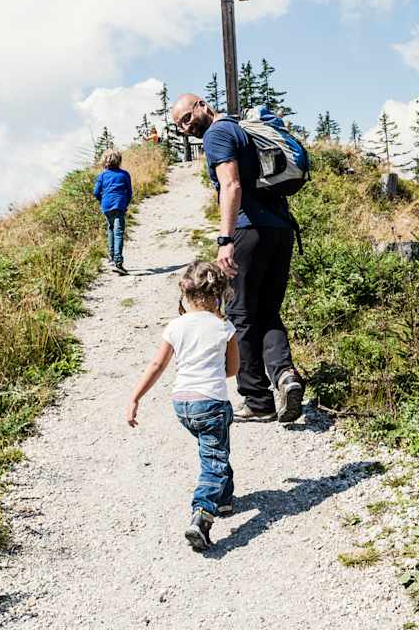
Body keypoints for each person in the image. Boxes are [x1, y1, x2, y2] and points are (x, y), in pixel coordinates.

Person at [170, 93, 305, 424]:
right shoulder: (241, 129)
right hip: (280, 230)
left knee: (241, 314)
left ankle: (257, 400)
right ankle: (285, 376)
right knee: (267, 311)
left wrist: (226, 240)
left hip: (248, 232)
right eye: (178, 126)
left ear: (202, 105)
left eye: (186, 118)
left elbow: (231, 185)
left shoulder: (217, 134)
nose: (185, 128)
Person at [126, 262, 239, 552]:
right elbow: (232, 369)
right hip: (211, 402)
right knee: (214, 457)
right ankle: (202, 513)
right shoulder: (224, 327)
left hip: (182, 405)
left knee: (212, 448)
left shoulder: (175, 326)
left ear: (185, 295)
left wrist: (135, 397)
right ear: (218, 295)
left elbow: (157, 365)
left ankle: (224, 499)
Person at [94, 149, 132, 275]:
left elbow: (96, 192)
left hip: (106, 206)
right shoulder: (124, 174)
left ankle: (111, 256)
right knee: (118, 232)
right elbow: (129, 193)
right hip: (119, 205)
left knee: (111, 229)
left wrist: (102, 200)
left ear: (105, 161)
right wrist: (125, 203)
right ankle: (118, 262)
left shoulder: (103, 175)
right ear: (118, 160)